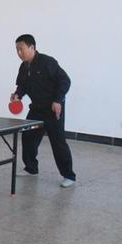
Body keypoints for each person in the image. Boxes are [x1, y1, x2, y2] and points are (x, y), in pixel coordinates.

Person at [11, 34, 76, 188]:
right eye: (17, 50)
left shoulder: (48, 62)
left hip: (53, 109)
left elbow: (65, 81)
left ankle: (69, 175)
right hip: (36, 109)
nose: (19, 53)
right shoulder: (23, 67)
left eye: (21, 49)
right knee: (28, 137)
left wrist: (57, 100)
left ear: (32, 47)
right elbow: (22, 86)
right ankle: (31, 168)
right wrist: (17, 95)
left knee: (58, 142)